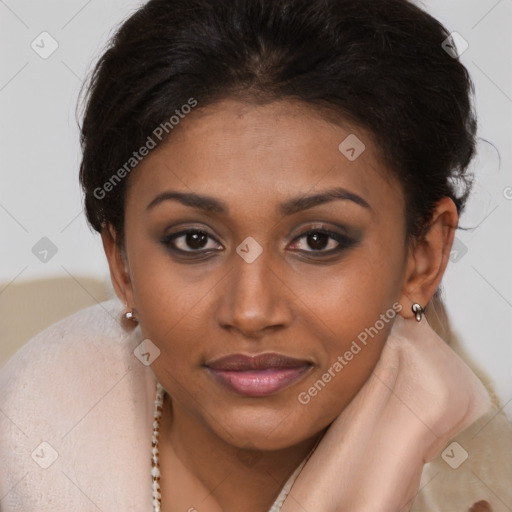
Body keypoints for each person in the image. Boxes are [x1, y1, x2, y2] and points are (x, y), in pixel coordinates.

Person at [1, 0, 511, 510]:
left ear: (422, 256)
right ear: (123, 264)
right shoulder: (29, 446)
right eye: (194, 240)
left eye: (318, 240)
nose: (250, 311)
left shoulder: (478, 490)